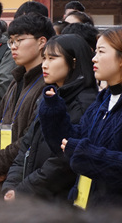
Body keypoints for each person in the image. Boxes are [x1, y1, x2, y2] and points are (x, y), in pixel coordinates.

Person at [2, 34, 97, 203]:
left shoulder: (84, 102)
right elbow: (26, 146)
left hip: (59, 201)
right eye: (44, 58)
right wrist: (11, 185)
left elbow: (62, 162)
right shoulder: (49, 97)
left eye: (52, 58)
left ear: (73, 62)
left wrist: (24, 189)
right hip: (32, 197)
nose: (44, 65)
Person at [39, 27, 122, 209]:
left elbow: (82, 148)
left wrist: (86, 153)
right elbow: (71, 140)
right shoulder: (102, 101)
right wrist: (54, 110)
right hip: (87, 206)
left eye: (101, 52)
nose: (94, 58)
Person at [0, 13, 55, 190]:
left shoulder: (48, 83)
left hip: (24, 176)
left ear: (41, 42)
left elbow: (31, 136)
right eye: (11, 41)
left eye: (19, 40)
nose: (13, 47)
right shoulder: (16, 80)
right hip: (1, 174)